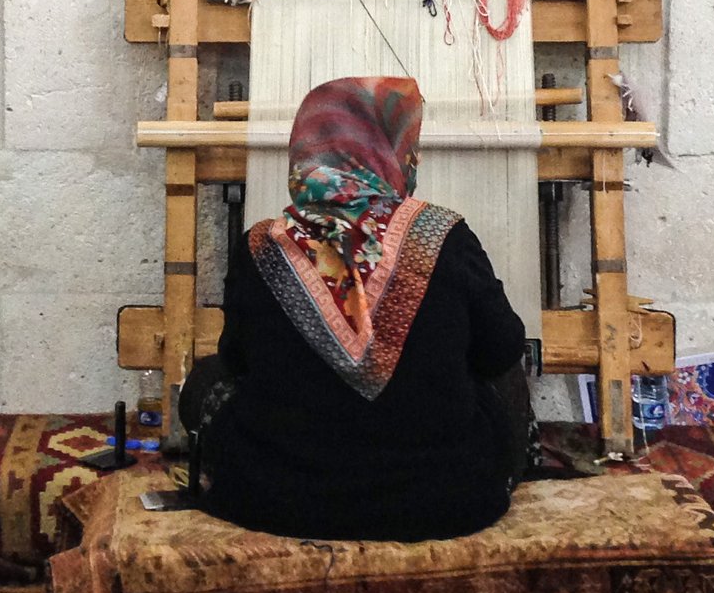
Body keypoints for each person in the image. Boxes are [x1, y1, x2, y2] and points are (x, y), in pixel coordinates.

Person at [182, 77, 532, 543]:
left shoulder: (262, 247)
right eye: (410, 146)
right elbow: (501, 348)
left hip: (274, 496)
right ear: (388, 150)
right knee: (502, 368)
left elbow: (238, 359)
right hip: (448, 499)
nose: (416, 160)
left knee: (206, 377)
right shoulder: (443, 234)